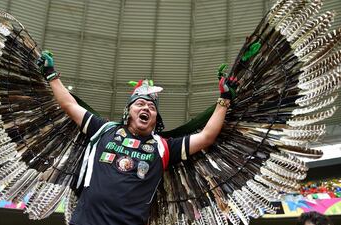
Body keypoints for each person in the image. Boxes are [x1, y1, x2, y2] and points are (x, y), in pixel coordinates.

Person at [39, 51, 238, 225]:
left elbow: (206, 136)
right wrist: (51, 74)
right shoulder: (104, 130)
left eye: (151, 107)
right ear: (128, 111)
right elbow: (69, 105)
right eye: (140, 104)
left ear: (156, 119)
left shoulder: (163, 147)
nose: (146, 108)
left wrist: (224, 100)